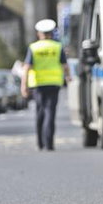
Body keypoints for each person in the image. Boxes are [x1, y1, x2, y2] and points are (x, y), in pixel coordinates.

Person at [20, 19, 71, 151]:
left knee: (40, 112)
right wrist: (68, 77)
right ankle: (49, 143)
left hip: (37, 84)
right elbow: (65, 66)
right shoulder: (57, 47)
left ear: (39, 34)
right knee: (50, 113)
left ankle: (40, 143)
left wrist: (23, 86)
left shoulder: (34, 47)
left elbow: (26, 68)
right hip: (53, 84)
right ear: (51, 33)